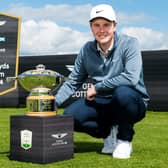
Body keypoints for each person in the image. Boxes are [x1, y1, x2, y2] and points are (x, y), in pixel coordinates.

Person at [55, 4, 149, 159]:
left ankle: (124, 139)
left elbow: (131, 77)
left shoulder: (130, 43)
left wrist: (97, 87)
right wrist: (53, 103)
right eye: (96, 25)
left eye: (106, 25)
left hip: (132, 101)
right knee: (71, 116)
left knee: (123, 93)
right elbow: (73, 81)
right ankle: (108, 132)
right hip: (103, 103)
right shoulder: (86, 49)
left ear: (114, 26)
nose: (101, 30)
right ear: (91, 27)